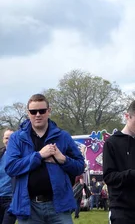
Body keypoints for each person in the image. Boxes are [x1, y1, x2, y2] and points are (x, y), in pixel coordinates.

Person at [5, 93, 85, 224]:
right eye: (33, 111)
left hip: (58, 205)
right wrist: (39, 155)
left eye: (42, 111)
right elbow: (11, 167)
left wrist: (63, 159)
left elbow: (80, 167)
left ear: (49, 111)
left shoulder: (63, 136)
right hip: (29, 206)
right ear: (28, 113)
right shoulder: (17, 138)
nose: (38, 115)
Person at [0, 129, 16, 224]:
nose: (8, 140)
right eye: (6, 138)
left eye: (11, 138)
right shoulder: (0, 155)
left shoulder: (20, 156)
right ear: (3, 140)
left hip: (11, 199)